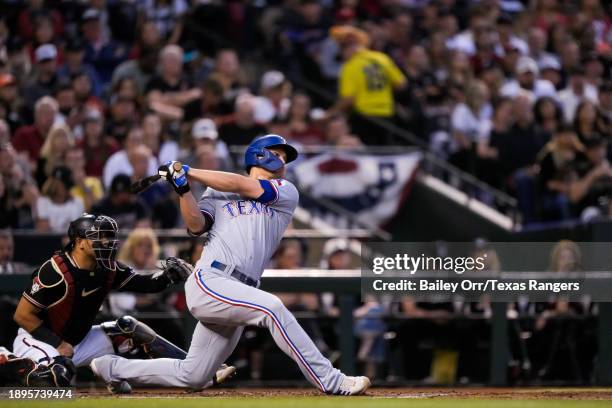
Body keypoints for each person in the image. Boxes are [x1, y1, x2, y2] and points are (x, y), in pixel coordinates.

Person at [90, 134, 371, 395]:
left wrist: (188, 170)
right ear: (259, 155)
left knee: (194, 375)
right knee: (272, 308)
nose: (284, 160)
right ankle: (331, 380)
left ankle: (112, 367)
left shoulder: (285, 190)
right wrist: (183, 189)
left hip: (239, 289)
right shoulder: (216, 191)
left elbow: (241, 185)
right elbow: (196, 225)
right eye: (278, 153)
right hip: (212, 279)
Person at [12, 213, 232, 390]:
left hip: (77, 341)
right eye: (99, 236)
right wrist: (58, 344)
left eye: (109, 236)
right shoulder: (55, 271)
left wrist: (167, 277)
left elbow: (146, 285)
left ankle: (199, 369)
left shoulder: (108, 268)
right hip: (40, 341)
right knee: (54, 380)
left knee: (128, 329)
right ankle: (6, 358)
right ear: (79, 242)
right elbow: (22, 315)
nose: (107, 242)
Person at [328, 25, 406, 145]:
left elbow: (349, 99)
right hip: (387, 115)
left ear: (347, 48)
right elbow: (401, 84)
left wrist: (330, 113)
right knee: (384, 152)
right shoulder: (382, 58)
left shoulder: (351, 66)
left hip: (365, 118)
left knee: (367, 154)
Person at [35, 166, 85, 233]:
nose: (67, 189)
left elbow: (81, 230)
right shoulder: (43, 202)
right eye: (56, 184)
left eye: (67, 185)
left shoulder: (78, 202)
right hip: (50, 241)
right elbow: (43, 231)